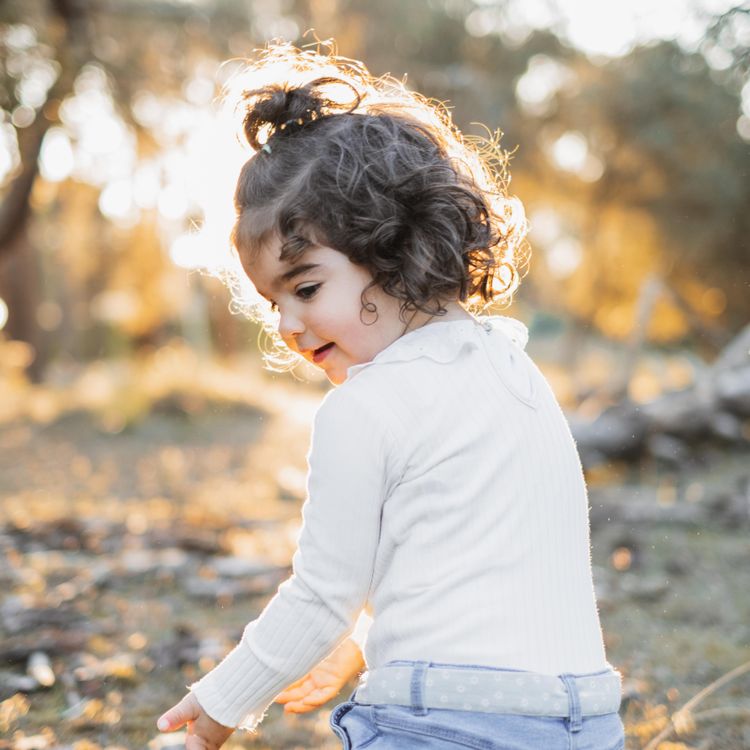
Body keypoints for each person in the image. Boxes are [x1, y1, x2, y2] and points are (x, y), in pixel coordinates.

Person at [157, 41, 625, 750]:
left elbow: (320, 597)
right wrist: (366, 641)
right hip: (584, 720)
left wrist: (222, 703)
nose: (285, 324)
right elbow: (489, 560)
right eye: (270, 302)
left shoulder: (362, 408)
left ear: (393, 246)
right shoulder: (515, 372)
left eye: (305, 287)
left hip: (437, 724)